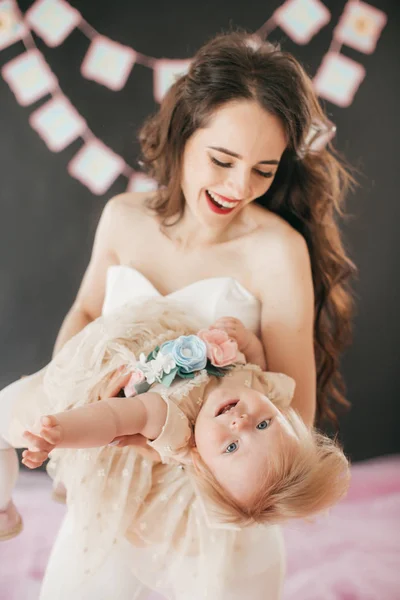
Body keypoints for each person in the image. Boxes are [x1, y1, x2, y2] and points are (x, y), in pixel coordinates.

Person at [0, 28, 355, 599]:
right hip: (110, 499)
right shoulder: (123, 217)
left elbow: (297, 413)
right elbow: (88, 310)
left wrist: (173, 439)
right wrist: (72, 394)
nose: (240, 187)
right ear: (185, 133)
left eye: (264, 170)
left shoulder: (277, 250)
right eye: (223, 159)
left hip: (208, 508)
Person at [1, 299, 349, 599]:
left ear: (200, 459)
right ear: (282, 413)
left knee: (9, 411)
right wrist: (246, 341)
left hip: (100, 367)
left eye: (230, 447)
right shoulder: (260, 387)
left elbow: (113, 417)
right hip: (153, 324)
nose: (240, 423)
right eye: (264, 424)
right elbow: (255, 361)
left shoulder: (177, 424)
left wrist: (60, 431)